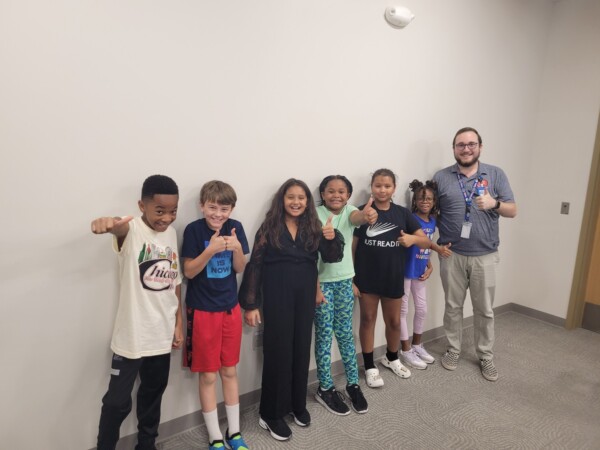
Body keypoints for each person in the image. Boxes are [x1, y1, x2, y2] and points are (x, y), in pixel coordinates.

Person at [239, 178, 343, 442]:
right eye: (291, 197)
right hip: (277, 296)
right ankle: (270, 413)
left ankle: (297, 405)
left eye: (301, 197)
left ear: (307, 202)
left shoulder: (313, 226)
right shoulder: (270, 227)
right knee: (278, 351)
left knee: (300, 349)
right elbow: (256, 264)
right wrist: (251, 304)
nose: (296, 202)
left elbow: (331, 257)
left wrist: (331, 238)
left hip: (305, 297)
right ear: (282, 200)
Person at [91, 174, 183, 450]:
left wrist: (178, 323)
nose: (167, 218)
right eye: (160, 211)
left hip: (161, 334)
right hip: (132, 335)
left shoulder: (171, 234)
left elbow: (175, 282)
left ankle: (146, 444)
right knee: (116, 403)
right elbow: (117, 228)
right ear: (141, 206)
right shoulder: (131, 230)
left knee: (152, 397)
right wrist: (108, 223)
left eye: (173, 211)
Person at [433, 127, 517, 382]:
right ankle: (453, 350)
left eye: (471, 144)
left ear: (480, 146)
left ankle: (485, 356)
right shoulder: (441, 177)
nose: (466, 149)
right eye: (461, 145)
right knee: (453, 307)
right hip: (451, 254)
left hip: (485, 255)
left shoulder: (495, 174)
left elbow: (513, 211)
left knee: (484, 310)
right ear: (454, 149)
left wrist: (495, 203)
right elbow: (432, 213)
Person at [181, 180, 250, 450]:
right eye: (212, 207)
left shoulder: (236, 228)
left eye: (224, 209)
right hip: (202, 311)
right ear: (202, 206)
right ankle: (214, 436)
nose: (218, 214)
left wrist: (236, 248)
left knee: (229, 371)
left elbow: (240, 267)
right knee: (208, 375)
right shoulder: (193, 230)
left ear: (231, 209)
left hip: (230, 308)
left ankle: (234, 432)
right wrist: (210, 250)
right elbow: (188, 272)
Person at [353, 169, 431, 388]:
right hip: (367, 277)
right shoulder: (362, 212)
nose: (382, 190)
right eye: (378, 185)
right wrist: (352, 278)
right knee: (368, 319)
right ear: (371, 187)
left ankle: (392, 358)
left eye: (387, 186)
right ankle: (370, 366)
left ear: (394, 188)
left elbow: (425, 242)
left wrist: (412, 239)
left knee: (395, 321)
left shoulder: (402, 213)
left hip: (393, 276)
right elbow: (353, 247)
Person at [313, 175, 378, 416]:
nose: (336, 195)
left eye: (341, 191)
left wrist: (367, 215)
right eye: (331, 191)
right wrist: (316, 288)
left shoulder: (350, 211)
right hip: (322, 285)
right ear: (322, 194)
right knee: (323, 336)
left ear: (348, 195)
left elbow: (357, 218)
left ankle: (353, 384)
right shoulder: (314, 215)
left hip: (344, 283)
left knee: (345, 334)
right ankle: (325, 387)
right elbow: (310, 255)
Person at [399, 180, 452, 370]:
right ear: (415, 201)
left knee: (422, 309)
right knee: (403, 310)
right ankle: (405, 350)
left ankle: (416, 345)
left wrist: (429, 265)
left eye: (429, 198)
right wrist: (438, 249)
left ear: (434, 201)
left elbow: (424, 246)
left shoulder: (433, 221)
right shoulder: (410, 219)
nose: (425, 202)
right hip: (406, 270)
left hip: (420, 270)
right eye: (421, 199)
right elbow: (415, 242)